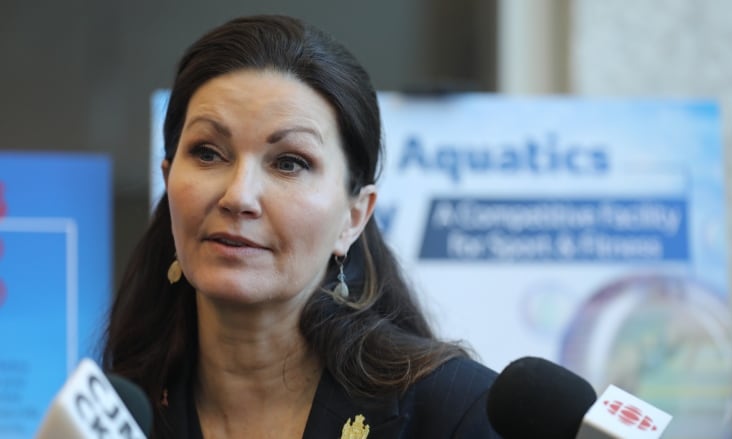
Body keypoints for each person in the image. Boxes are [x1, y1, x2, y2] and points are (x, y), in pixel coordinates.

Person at [103, 14, 500, 438]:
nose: (238, 196)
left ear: (354, 217)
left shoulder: (453, 413)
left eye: (289, 163)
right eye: (208, 153)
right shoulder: (117, 414)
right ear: (167, 180)